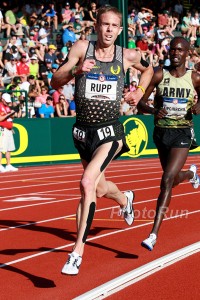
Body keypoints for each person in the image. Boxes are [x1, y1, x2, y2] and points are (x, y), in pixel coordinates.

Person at [51, 5, 153, 275]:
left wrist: (140, 91)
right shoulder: (81, 48)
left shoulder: (127, 55)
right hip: (83, 132)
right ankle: (125, 199)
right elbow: (54, 81)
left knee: (86, 182)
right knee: (98, 187)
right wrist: (76, 71)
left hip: (110, 132)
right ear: (96, 26)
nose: (108, 30)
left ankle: (76, 253)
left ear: (120, 30)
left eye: (113, 26)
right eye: (104, 24)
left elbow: (150, 70)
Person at [138, 37, 200, 251]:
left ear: (187, 53)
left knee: (166, 179)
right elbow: (140, 103)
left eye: (180, 50)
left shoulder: (195, 77)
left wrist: (198, 105)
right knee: (171, 180)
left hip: (183, 132)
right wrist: (154, 110)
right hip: (162, 132)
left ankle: (153, 233)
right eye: (172, 49)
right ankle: (191, 175)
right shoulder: (158, 74)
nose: (175, 53)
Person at [0, 93, 18, 172]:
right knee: (0, 148)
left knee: (8, 148)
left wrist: (11, 126)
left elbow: (10, 118)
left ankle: (8, 164)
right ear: (2, 99)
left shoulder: (7, 107)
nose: (7, 103)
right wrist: (9, 114)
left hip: (8, 129)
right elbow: (1, 119)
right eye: (6, 102)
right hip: (2, 129)